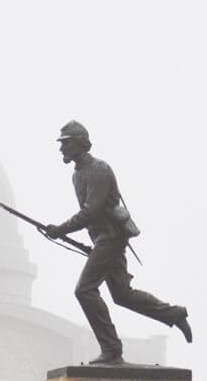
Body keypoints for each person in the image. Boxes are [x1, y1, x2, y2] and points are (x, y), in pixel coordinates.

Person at [42, 121, 192, 365]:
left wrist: (60, 229)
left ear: (80, 143)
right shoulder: (77, 174)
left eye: (66, 143)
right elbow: (91, 217)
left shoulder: (99, 170)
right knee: (122, 294)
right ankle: (174, 314)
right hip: (102, 239)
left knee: (84, 290)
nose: (62, 149)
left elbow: (92, 211)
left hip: (111, 238)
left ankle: (111, 349)